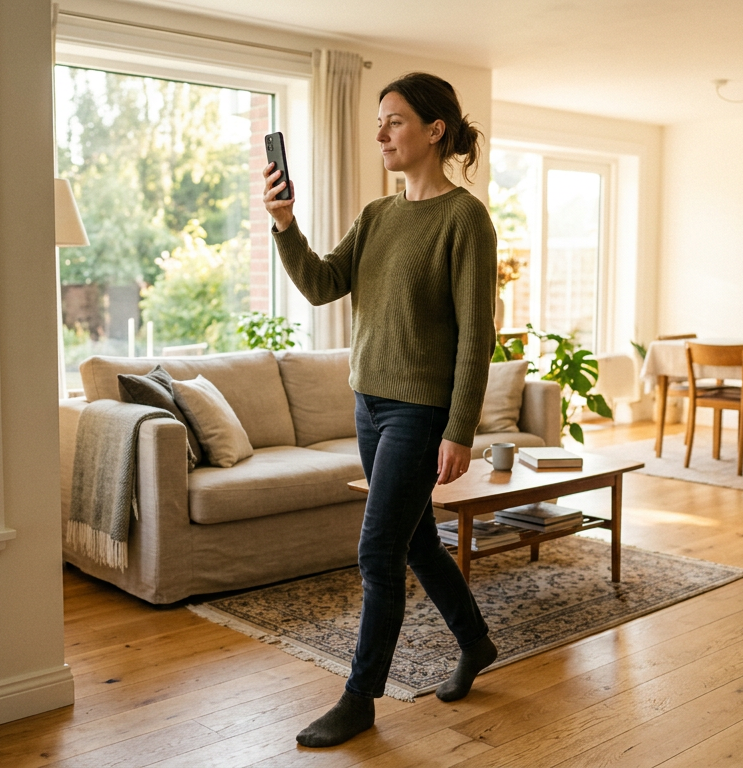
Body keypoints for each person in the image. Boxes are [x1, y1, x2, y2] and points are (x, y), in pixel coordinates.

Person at [263, 72, 499, 749]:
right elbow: (319, 286)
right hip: (367, 402)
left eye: (394, 121)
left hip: (419, 413)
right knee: (415, 540)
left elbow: (475, 334)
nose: (380, 134)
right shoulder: (376, 215)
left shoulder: (464, 219)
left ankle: (359, 698)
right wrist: (285, 225)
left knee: (377, 550)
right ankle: (476, 644)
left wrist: (460, 431)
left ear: (435, 130)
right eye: (379, 121)